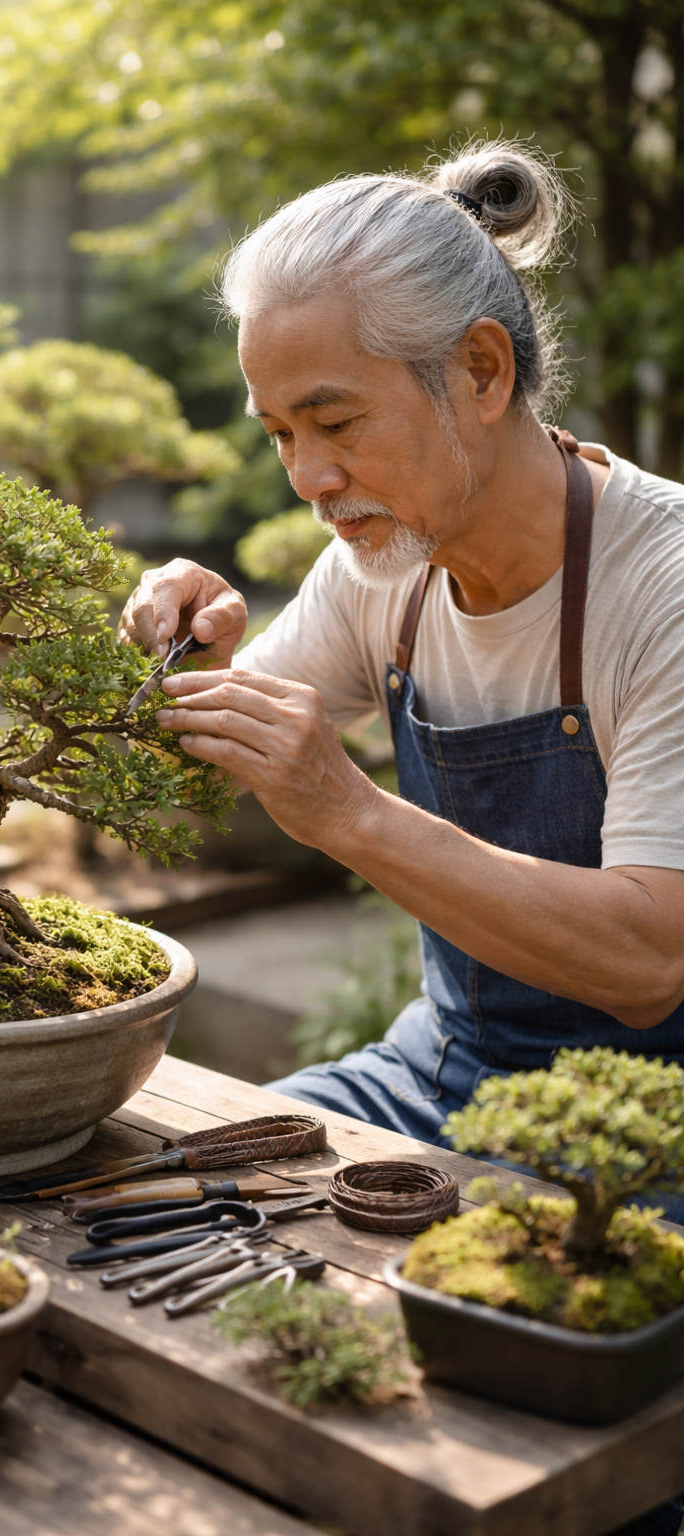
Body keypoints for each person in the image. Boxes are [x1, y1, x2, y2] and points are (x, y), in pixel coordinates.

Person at [119, 142, 684, 1536]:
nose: (311, 475)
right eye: (277, 434)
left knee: (526, 1422)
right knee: (183, 1200)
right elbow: (197, 768)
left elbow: (647, 960)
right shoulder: (385, 562)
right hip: (446, 1067)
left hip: (652, 1124)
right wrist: (171, 655)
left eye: (335, 421)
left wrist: (352, 812)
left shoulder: (658, 586)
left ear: (481, 375)